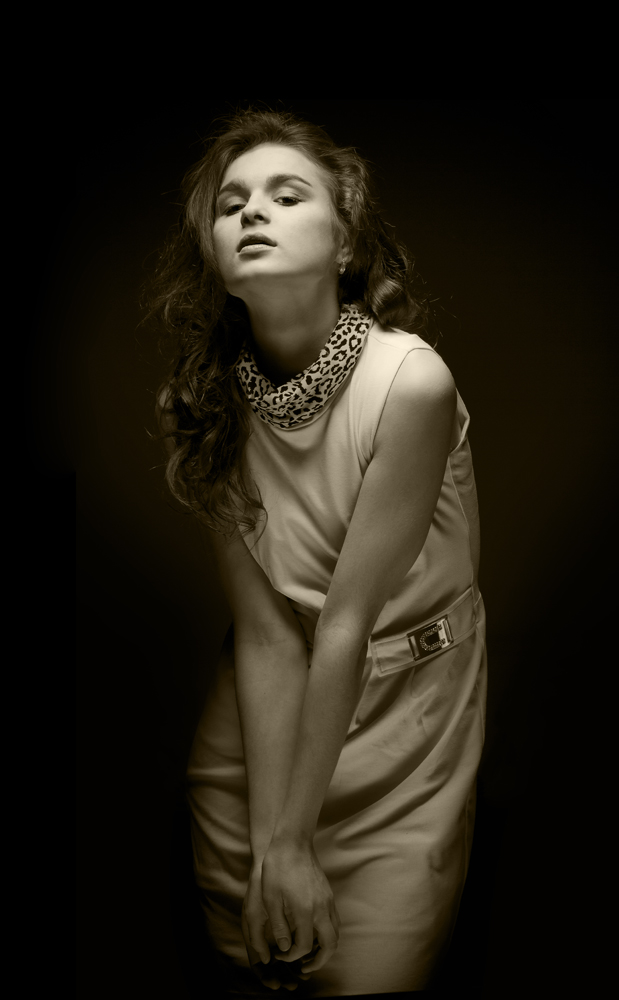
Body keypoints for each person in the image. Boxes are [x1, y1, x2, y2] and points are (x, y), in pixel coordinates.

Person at [146, 106, 487, 997]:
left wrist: (297, 843)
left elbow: (346, 622)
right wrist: (272, 845)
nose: (252, 212)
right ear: (214, 255)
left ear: (343, 243)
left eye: (285, 195)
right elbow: (266, 633)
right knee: (254, 962)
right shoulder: (198, 404)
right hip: (262, 732)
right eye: (230, 205)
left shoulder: (408, 383)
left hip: (406, 722)